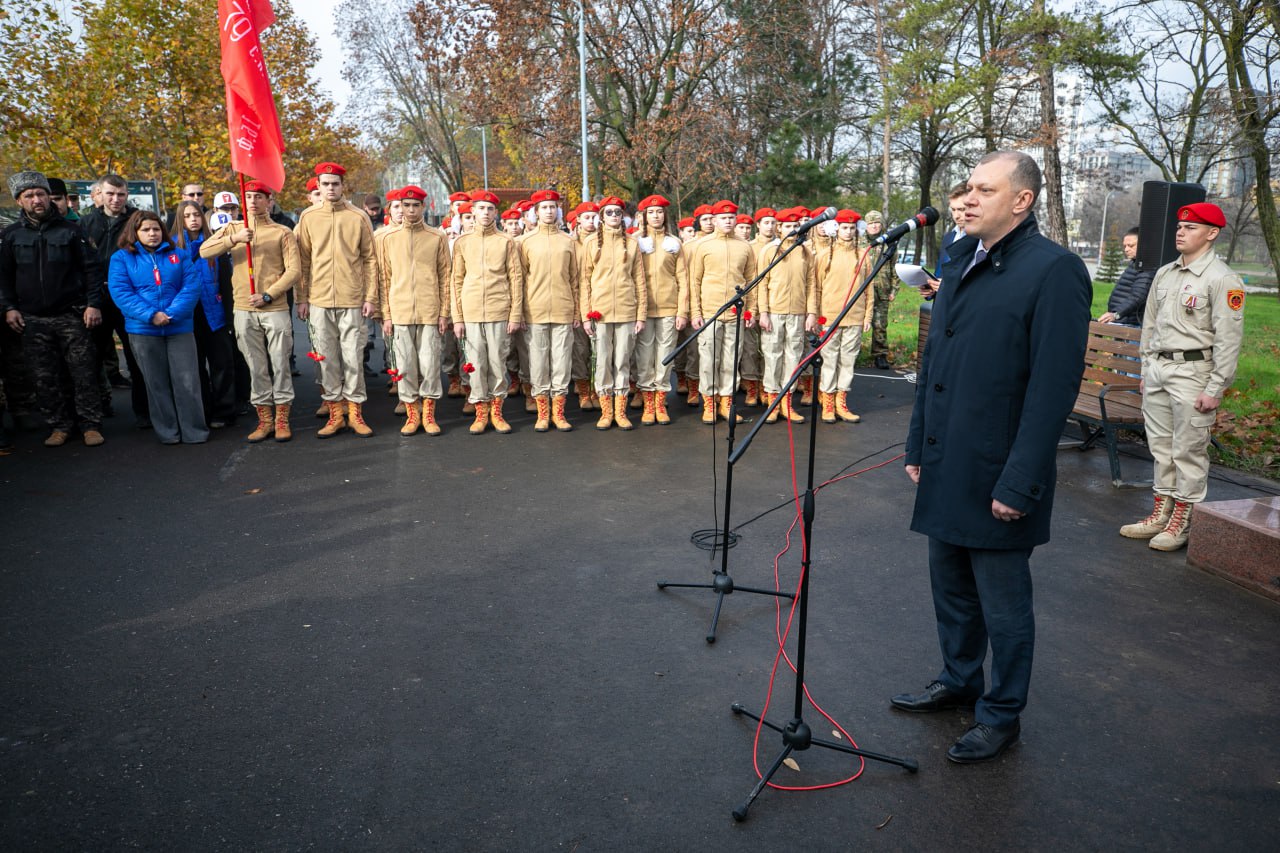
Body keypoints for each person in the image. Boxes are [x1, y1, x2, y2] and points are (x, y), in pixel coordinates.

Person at [897, 150, 1090, 763]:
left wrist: (1022, 479)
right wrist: (917, 441)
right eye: (968, 188)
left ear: (1022, 200)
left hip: (999, 469)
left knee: (1002, 605)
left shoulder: (1053, 270)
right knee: (950, 587)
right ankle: (960, 682)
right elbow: (936, 366)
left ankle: (1002, 714)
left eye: (984, 189)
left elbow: (1052, 388)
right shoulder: (958, 257)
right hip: (948, 457)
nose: (968, 198)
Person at [1119, 203, 1244, 552]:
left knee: (1187, 450)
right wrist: (1146, 368)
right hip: (1159, 369)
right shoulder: (1165, 273)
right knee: (1160, 449)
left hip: (1194, 372)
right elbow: (1150, 325)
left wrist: (1216, 387)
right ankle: (1162, 512)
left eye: (1191, 227)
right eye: (1179, 227)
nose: (1180, 232)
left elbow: (1229, 338)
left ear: (1212, 233)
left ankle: (1182, 520)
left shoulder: (1222, 279)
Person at [0, 170, 105, 447]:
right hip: (32, 319)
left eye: (41, 194)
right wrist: (9, 307)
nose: (36, 199)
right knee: (44, 377)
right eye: (29, 195)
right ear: (20, 201)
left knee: (82, 372)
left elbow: (92, 271)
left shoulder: (72, 231)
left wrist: (93, 304)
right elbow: (4, 277)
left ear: (49, 197)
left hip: (71, 314)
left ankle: (90, 425)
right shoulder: (11, 236)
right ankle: (59, 426)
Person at [201, 180, 300, 443]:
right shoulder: (233, 227)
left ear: (269, 201)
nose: (253, 202)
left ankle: (281, 418)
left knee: (279, 363)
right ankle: (264, 419)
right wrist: (234, 239)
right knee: (255, 366)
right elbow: (204, 251)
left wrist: (269, 294)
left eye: (259, 197)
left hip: (273, 307)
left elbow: (294, 271)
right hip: (243, 307)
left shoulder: (282, 232)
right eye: (248, 197)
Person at [107, 211, 209, 444]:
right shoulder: (121, 258)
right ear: (135, 232)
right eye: (145, 230)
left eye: (156, 229)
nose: (152, 234)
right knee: (156, 383)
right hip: (143, 330)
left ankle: (194, 431)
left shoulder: (179, 255)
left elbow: (191, 286)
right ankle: (168, 432)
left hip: (179, 327)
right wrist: (150, 315)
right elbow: (121, 292)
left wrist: (171, 314)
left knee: (187, 381)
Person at [296, 162, 380, 438]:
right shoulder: (308, 217)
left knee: (353, 357)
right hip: (319, 299)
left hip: (352, 299)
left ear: (343, 186)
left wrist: (370, 297)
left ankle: (355, 413)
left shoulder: (358, 217)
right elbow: (303, 261)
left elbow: (370, 259)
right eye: (325, 184)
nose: (330, 188)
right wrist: (302, 298)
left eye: (335, 183)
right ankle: (334, 413)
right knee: (327, 359)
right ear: (318, 186)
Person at [376, 185, 451, 436]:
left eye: (415, 205)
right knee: (406, 364)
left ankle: (429, 413)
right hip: (400, 312)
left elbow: (445, 276)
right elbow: (384, 279)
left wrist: (444, 313)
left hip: (430, 311)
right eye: (405, 205)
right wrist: (385, 314)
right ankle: (411, 413)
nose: (410, 210)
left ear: (423, 207)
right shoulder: (388, 238)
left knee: (430, 365)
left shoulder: (436, 237)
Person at [451, 188, 525, 434]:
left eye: (490, 208)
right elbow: (456, 281)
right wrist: (457, 317)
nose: (485, 213)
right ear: (472, 212)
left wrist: (515, 314)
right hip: (471, 312)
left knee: (497, 362)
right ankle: (481, 411)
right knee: (475, 363)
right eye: (480, 208)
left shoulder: (506, 242)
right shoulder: (462, 242)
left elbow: (516, 279)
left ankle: (497, 411)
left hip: (498, 311)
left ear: (496, 213)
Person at [80, 173, 150, 423]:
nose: (116, 199)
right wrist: (91, 301)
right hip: (97, 297)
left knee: (136, 356)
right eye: (110, 193)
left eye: (121, 194)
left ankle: (144, 411)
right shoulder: (86, 222)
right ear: (100, 193)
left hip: (129, 298)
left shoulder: (136, 220)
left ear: (127, 195)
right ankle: (96, 410)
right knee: (91, 358)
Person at [170, 199, 238, 429]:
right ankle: (203, 409)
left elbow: (227, 284)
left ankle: (225, 410)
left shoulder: (215, 245)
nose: (193, 219)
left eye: (197, 214)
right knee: (194, 366)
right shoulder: (172, 248)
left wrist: (229, 316)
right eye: (187, 215)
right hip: (188, 315)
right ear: (180, 219)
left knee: (222, 363)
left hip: (214, 312)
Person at [580, 196, 646, 430]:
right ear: (602, 217)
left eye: (617, 213)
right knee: (603, 362)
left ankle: (620, 411)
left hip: (627, 311)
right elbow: (584, 281)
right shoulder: (590, 243)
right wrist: (586, 314)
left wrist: (640, 315)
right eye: (609, 213)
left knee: (623, 361)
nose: (614, 217)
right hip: (601, 312)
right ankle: (606, 410)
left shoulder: (631, 243)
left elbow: (640, 281)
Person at [688, 199, 757, 424]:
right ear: (715, 220)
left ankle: (727, 402)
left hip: (735, 313)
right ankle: (709, 402)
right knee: (709, 359)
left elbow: (751, 282)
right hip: (710, 312)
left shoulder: (745, 246)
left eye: (731, 217)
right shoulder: (703, 245)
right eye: (723, 217)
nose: (728, 221)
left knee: (731, 359)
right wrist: (695, 311)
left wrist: (751, 311)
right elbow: (694, 281)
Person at [517, 189, 579, 432]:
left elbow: (575, 279)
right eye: (544, 207)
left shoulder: (569, 242)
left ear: (558, 210)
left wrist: (577, 311)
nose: (549, 211)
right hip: (535, 311)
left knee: (562, 362)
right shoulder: (525, 242)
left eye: (552, 207)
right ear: (536, 212)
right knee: (539, 362)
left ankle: (559, 412)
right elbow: (519, 280)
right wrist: (520, 311)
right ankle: (543, 413)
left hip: (563, 310)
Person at [757, 207, 816, 424]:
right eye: (788, 226)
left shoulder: (805, 251)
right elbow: (761, 284)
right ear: (779, 228)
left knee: (793, 356)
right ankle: (773, 401)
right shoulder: (769, 250)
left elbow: (811, 284)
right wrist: (763, 312)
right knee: (772, 356)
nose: (793, 229)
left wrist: (811, 313)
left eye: (796, 225)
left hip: (798, 312)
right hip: (774, 311)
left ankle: (787, 402)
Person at [633, 194, 688, 426]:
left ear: (665, 215)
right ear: (644, 216)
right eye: (651, 212)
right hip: (643, 310)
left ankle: (660, 401)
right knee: (645, 357)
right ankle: (648, 401)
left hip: (668, 307)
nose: (656, 216)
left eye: (659, 212)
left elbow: (683, 278)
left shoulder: (674, 243)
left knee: (665, 357)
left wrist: (682, 310)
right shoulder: (635, 241)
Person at [812, 209, 870, 424]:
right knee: (829, 360)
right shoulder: (825, 254)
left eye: (851, 228)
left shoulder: (863, 254)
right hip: (830, 317)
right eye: (844, 227)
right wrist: (817, 317)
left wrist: (868, 316)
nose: (848, 231)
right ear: (836, 229)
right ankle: (827, 401)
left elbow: (869, 288)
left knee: (847, 361)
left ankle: (841, 401)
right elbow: (817, 288)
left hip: (855, 317)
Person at [863, 210, 899, 369]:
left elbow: (895, 268)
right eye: (871, 223)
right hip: (862, 291)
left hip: (882, 290)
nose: (874, 226)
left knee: (880, 324)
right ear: (866, 225)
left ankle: (880, 355)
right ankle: (852, 353)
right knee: (856, 323)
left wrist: (894, 290)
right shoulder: (859, 242)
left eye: (877, 222)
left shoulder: (889, 242)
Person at [920, 183, 968, 298]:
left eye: (961, 209)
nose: (956, 215)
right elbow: (939, 273)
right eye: (953, 209)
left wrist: (948, 286)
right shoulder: (948, 238)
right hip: (941, 308)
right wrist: (931, 289)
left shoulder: (982, 239)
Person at [1098, 227, 1153, 327]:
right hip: (1122, 322)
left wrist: (1116, 314)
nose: (1126, 249)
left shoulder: (1147, 266)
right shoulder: (1135, 263)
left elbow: (1138, 296)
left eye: (1131, 245)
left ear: (1143, 244)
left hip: (1131, 325)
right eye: (1125, 246)